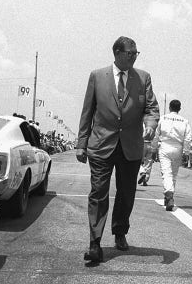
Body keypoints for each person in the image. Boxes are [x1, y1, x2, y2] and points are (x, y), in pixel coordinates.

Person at [76, 36, 160, 263]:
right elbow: (87, 111)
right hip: (101, 144)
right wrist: (81, 143)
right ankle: (95, 243)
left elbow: (151, 108)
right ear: (117, 53)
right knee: (98, 193)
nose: (134, 56)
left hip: (130, 146)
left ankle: (120, 231)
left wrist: (150, 125)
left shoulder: (143, 78)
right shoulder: (97, 76)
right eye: (131, 53)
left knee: (126, 194)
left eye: (136, 53)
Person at [153, 100, 192, 211]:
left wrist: (154, 148)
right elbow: (188, 138)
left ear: (169, 107)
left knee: (166, 173)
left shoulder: (163, 118)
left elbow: (156, 135)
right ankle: (169, 196)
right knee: (173, 174)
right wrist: (186, 152)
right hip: (178, 148)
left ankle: (169, 195)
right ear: (179, 109)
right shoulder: (184, 121)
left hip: (165, 146)